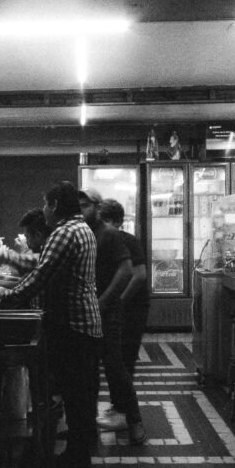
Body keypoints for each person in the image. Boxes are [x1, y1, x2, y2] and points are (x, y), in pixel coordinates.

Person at [0, 181, 102, 468]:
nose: (45, 210)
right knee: (81, 393)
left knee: (74, 393)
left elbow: (41, 276)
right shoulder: (83, 229)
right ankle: (82, 452)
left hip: (73, 324)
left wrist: (8, 295)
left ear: (56, 206)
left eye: (46, 204)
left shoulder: (64, 232)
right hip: (85, 321)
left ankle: (76, 459)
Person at [78, 188, 146, 445]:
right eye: (78, 206)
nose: (81, 210)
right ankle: (87, 426)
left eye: (85, 205)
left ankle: (135, 420)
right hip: (88, 312)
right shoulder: (83, 234)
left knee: (115, 367)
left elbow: (131, 272)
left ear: (96, 207)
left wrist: (106, 302)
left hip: (107, 314)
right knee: (90, 370)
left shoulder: (110, 235)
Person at [98, 198, 149, 385]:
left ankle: (126, 406)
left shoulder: (127, 240)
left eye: (106, 220)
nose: (104, 225)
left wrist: (118, 301)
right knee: (113, 357)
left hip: (133, 308)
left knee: (124, 358)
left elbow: (139, 275)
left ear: (118, 222)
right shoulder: (103, 240)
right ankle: (119, 403)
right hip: (117, 307)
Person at [0, 208, 51, 297]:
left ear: (38, 235)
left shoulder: (48, 252)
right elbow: (25, 279)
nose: (26, 241)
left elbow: (23, 285)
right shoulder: (45, 250)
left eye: (27, 237)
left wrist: (4, 256)